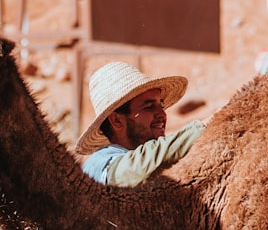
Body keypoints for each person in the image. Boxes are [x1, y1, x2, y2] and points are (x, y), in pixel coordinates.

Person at [75, 61, 205, 186]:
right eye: (149, 107)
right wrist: (205, 129)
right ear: (116, 120)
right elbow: (134, 171)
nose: (162, 114)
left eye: (161, 105)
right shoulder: (98, 164)